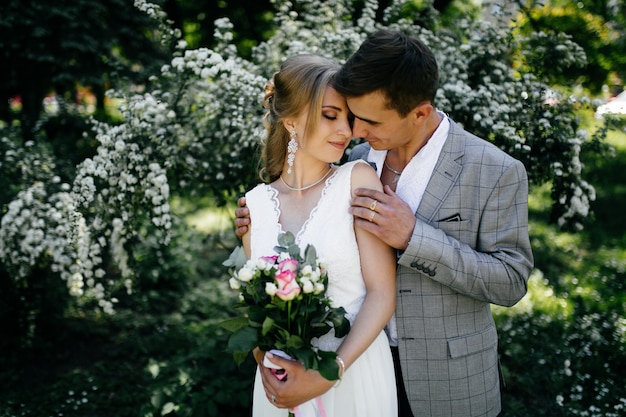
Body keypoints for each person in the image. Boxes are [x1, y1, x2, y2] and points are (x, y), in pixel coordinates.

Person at [235, 30, 534, 417]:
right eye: (351, 115)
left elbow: (510, 281)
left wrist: (413, 237)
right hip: (354, 366)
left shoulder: (494, 170)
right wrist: (253, 228)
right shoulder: (357, 158)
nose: (355, 130)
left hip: (445, 380)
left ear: (419, 114)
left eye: (368, 120)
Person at [240, 54, 398, 416]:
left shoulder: (357, 180)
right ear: (291, 120)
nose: (345, 130)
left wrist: (330, 372)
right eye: (330, 115)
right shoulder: (254, 204)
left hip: (354, 375)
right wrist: (272, 366)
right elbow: (257, 311)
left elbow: (382, 293)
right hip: (281, 383)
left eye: (348, 117)